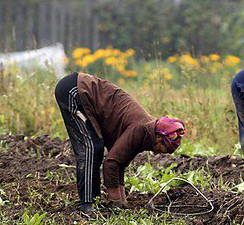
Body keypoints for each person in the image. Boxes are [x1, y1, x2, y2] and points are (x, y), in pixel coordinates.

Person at [54, 72, 185, 213]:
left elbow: (120, 162)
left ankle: (95, 202)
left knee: (97, 148)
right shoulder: (141, 129)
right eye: (162, 149)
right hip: (75, 90)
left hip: (81, 91)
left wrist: (123, 202)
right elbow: (111, 163)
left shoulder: (146, 134)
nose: (158, 152)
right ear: (159, 137)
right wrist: (116, 203)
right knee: (91, 148)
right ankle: (87, 203)